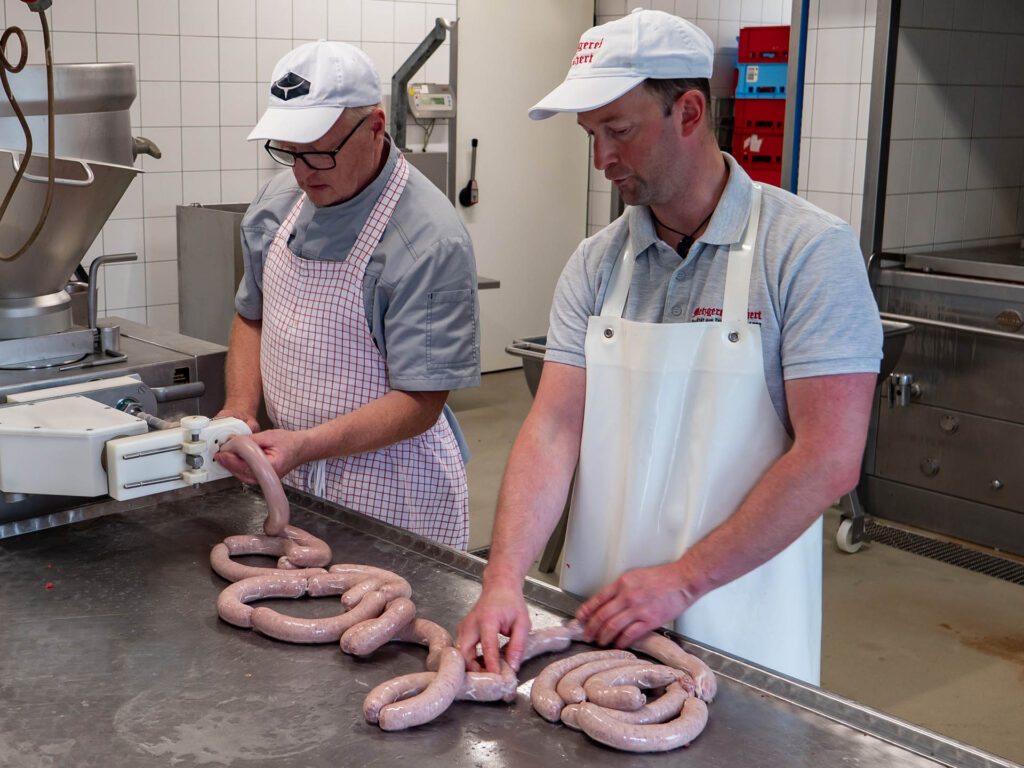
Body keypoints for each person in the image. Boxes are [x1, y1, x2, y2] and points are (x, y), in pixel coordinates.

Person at [456, 9, 882, 684]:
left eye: (617, 130)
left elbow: (829, 458)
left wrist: (683, 581)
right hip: (596, 623)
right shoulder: (598, 263)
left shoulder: (805, 252)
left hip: (742, 634)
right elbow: (554, 430)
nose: (601, 160)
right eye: (590, 135)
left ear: (688, 111)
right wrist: (504, 578)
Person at [214, 40, 480, 551]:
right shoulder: (278, 204)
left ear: (376, 127)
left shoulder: (427, 239)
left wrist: (306, 445)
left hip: (395, 489)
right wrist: (240, 408)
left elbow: (422, 400)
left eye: (320, 152)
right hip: (296, 477)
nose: (303, 171)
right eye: (289, 152)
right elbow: (252, 315)